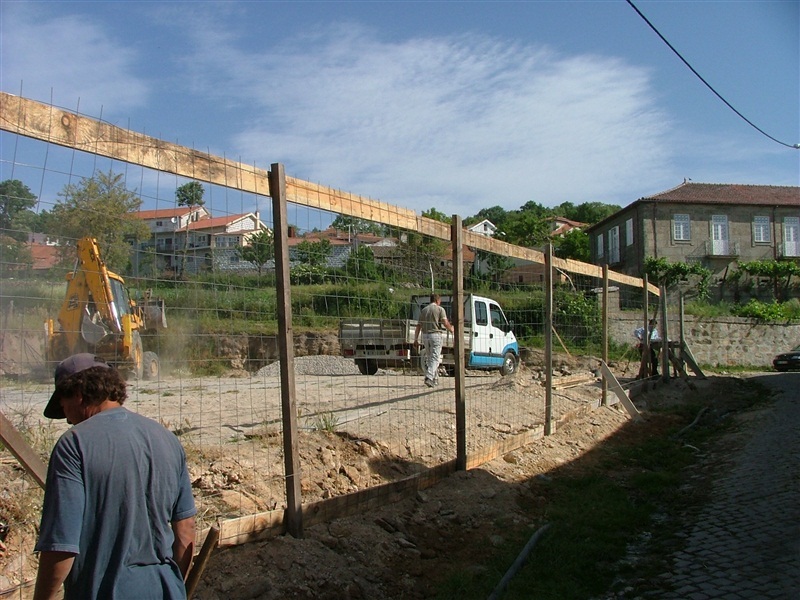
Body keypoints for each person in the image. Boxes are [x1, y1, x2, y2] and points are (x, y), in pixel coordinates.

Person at [34, 354, 196, 600]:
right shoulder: (167, 439)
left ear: (78, 393)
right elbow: (186, 532)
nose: (66, 418)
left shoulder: (74, 445)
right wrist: (173, 586)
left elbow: (61, 548)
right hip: (166, 590)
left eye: (63, 404)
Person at [414, 294, 454, 387]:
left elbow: (418, 326)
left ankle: (434, 379)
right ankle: (429, 376)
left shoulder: (424, 310)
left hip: (425, 335)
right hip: (435, 334)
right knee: (435, 358)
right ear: (437, 300)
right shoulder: (440, 309)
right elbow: (445, 322)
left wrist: (416, 339)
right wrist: (451, 329)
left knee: (430, 358)